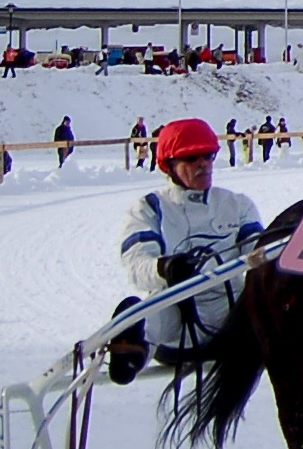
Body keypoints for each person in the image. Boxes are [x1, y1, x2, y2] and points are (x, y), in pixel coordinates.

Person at [105, 119, 264, 385]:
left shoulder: (236, 204)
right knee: (149, 311)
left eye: (209, 155)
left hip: (232, 315)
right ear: (169, 165)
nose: (204, 163)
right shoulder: (150, 208)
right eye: (191, 158)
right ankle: (132, 349)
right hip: (177, 314)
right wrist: (164, 268)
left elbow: (260, 255)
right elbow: (136, 264)